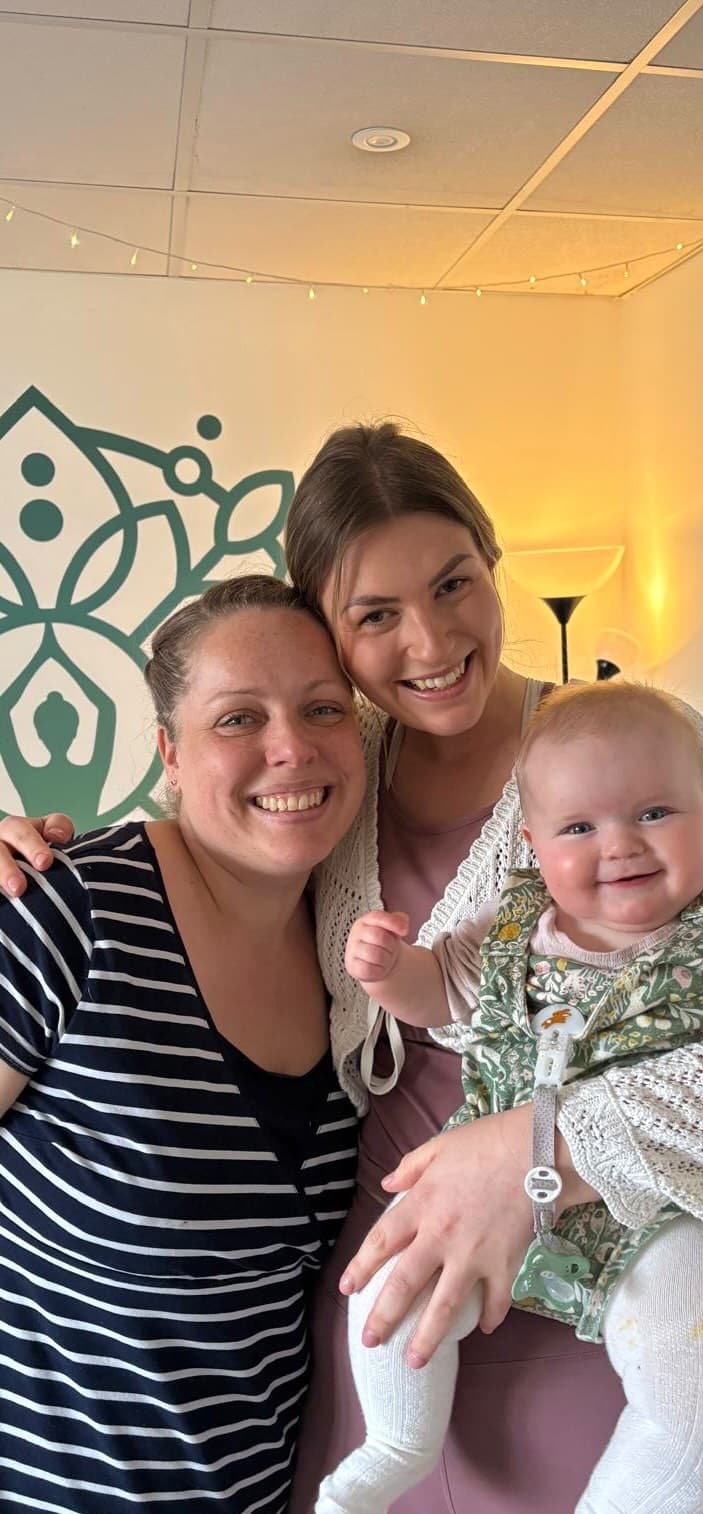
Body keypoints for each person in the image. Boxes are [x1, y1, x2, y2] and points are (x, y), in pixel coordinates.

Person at [3, 423, 703, 1511]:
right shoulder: (331, 776)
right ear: (332, 635)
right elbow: (203, 829)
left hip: (618, 1328)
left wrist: (549, 1152)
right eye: (373, 615)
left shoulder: (627, 743)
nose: (430, 638)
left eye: (454, 582)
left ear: (492, 562)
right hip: (392, 1338)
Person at [320, 680, 703, 1514]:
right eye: (579, 828)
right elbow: (441, 992)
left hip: (661, 1207)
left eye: (654, 814)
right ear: (532, 844)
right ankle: (395, 1444)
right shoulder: (509, 924)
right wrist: (390, 973)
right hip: (478, 1199)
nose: (622, 847)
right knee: (386, 1291)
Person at [0, 575, 367, 1511]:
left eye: (322, 708)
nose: (291, 748)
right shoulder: (65, 913)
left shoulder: (354, 943)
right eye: (238, 719)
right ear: (168, 751)